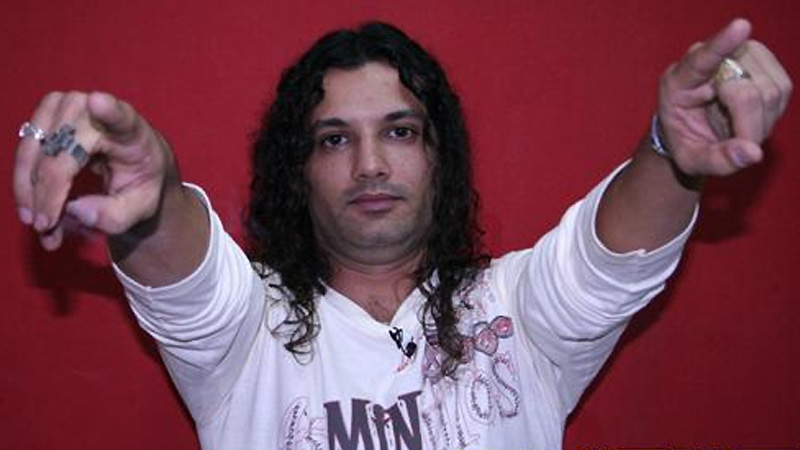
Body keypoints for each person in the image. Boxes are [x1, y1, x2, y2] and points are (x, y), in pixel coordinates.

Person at [12, 19, 791, 450]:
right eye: (334, 139)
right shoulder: (248, 328)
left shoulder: (518, 308)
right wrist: (151, 196)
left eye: (400, 130)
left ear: (437, 156)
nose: (371, 165)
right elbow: (190, 278)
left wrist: (668, 151)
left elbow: (610, 262)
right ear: (297, 170)